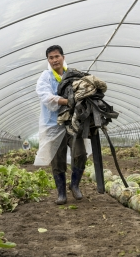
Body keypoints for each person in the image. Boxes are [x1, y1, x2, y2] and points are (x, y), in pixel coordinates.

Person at [34, 45, 87, 205]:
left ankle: (75, 185)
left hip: (72, 122)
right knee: (58, 160)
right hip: (53, 124)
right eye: (51, 58)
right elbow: (45, 96)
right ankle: (61, 193)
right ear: (48, 61)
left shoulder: (72, 75)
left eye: (57, 56)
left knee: (80, 154)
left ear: (63, 57)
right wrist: (67, 101)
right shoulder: (46, 77)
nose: (54, 60)